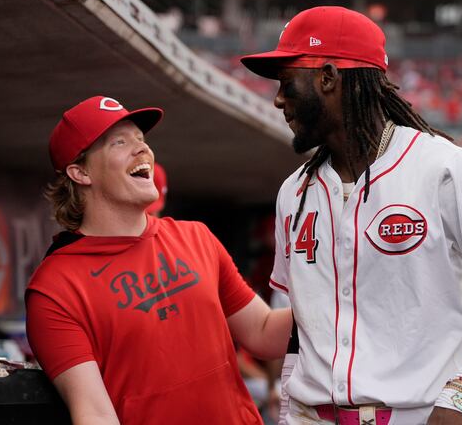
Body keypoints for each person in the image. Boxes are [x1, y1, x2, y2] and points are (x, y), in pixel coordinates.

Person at [241, 6, 462, 424]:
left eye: (287, 82)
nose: (279, 98)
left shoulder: (447, 168)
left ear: (328, 77)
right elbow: (305, 328)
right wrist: (286, 412)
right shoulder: (294, 192)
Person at [25, 96, 292, 425]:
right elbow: (94, 414)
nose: (142, 149)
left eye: (141, 139)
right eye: (119, 142)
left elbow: (263, 332)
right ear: (80, 172)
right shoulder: (54, 288)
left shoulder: (197, 237)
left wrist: (342, 294)